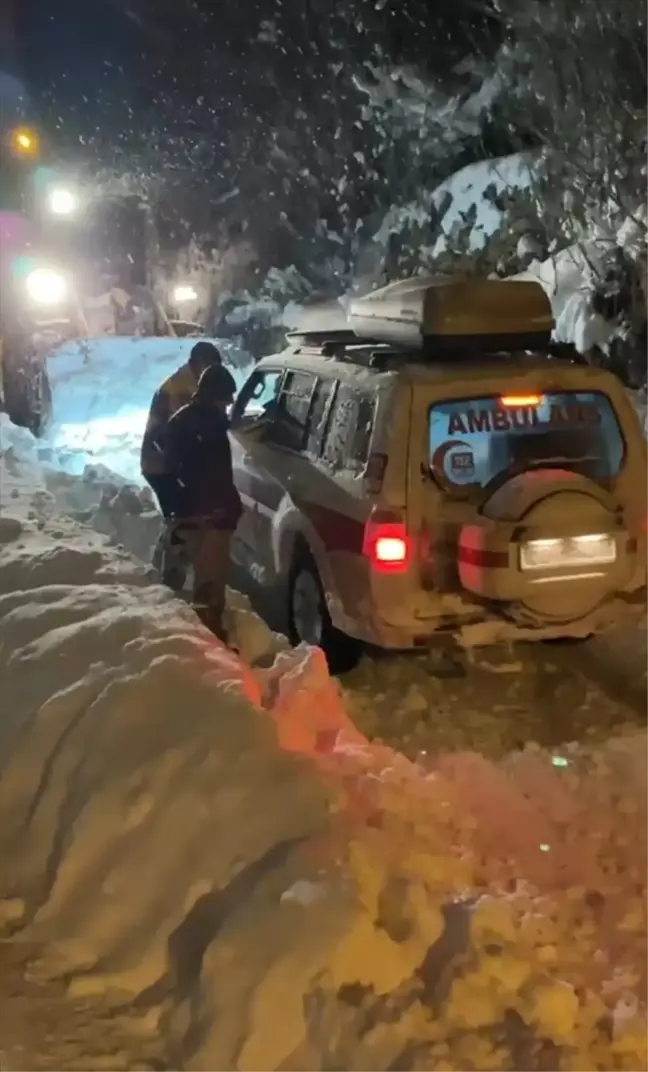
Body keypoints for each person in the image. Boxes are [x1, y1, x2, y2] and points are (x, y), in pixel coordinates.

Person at [161, 362, 241, 638]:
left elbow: (171, 470)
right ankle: (210, 642)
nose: (228, 405)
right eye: (225, 400)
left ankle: (195, 630)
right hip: (209, 517)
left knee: (197, 576)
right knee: (210, 582)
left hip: (189, 514)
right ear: (213, 396)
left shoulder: (183, 419)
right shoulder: (210, 426)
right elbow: (215, 476)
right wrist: (223, 509)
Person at [140, 340, 224, 520]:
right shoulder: (180, 390)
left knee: (183, 516)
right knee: (182, 517)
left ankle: (174, 542)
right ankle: (172, 545)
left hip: (165, 461)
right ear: (200, 363)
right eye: (210, 368)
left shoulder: (189, 383)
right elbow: (179, 433)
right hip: (161, 465)